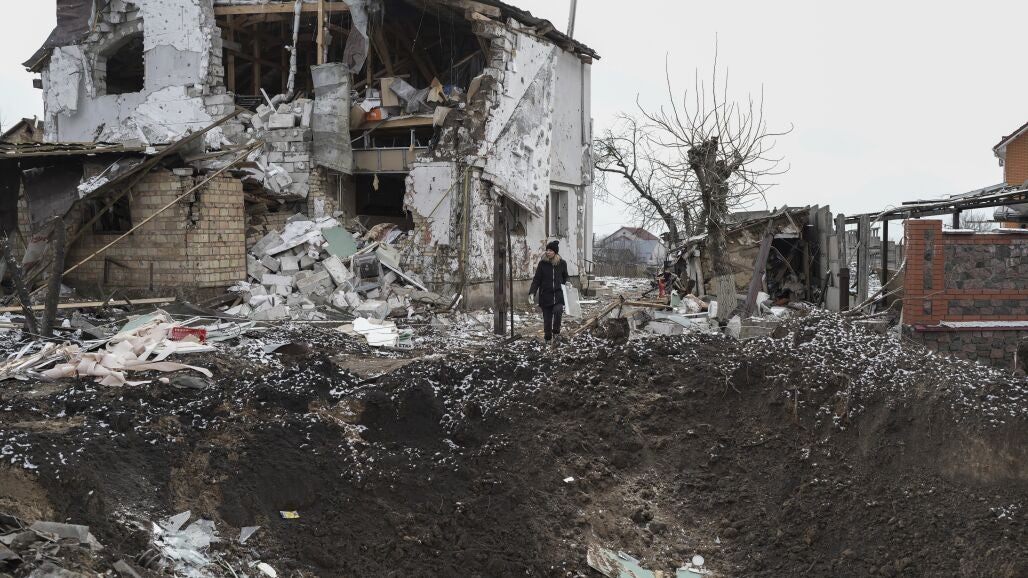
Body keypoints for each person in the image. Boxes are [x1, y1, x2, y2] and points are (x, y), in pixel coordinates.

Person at [529, 240, 570, 348]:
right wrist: (532, 292)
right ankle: (547, 338)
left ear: (555, 252)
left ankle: (556, 332)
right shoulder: (542, 264)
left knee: (558, 311)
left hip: (558, 295)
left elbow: (565, 276)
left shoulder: (562, 263)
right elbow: (537, 279)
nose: (548, 252)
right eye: (547, 250)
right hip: (545, 296)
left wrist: (567, 283)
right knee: (547, 320)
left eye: (550, 250)